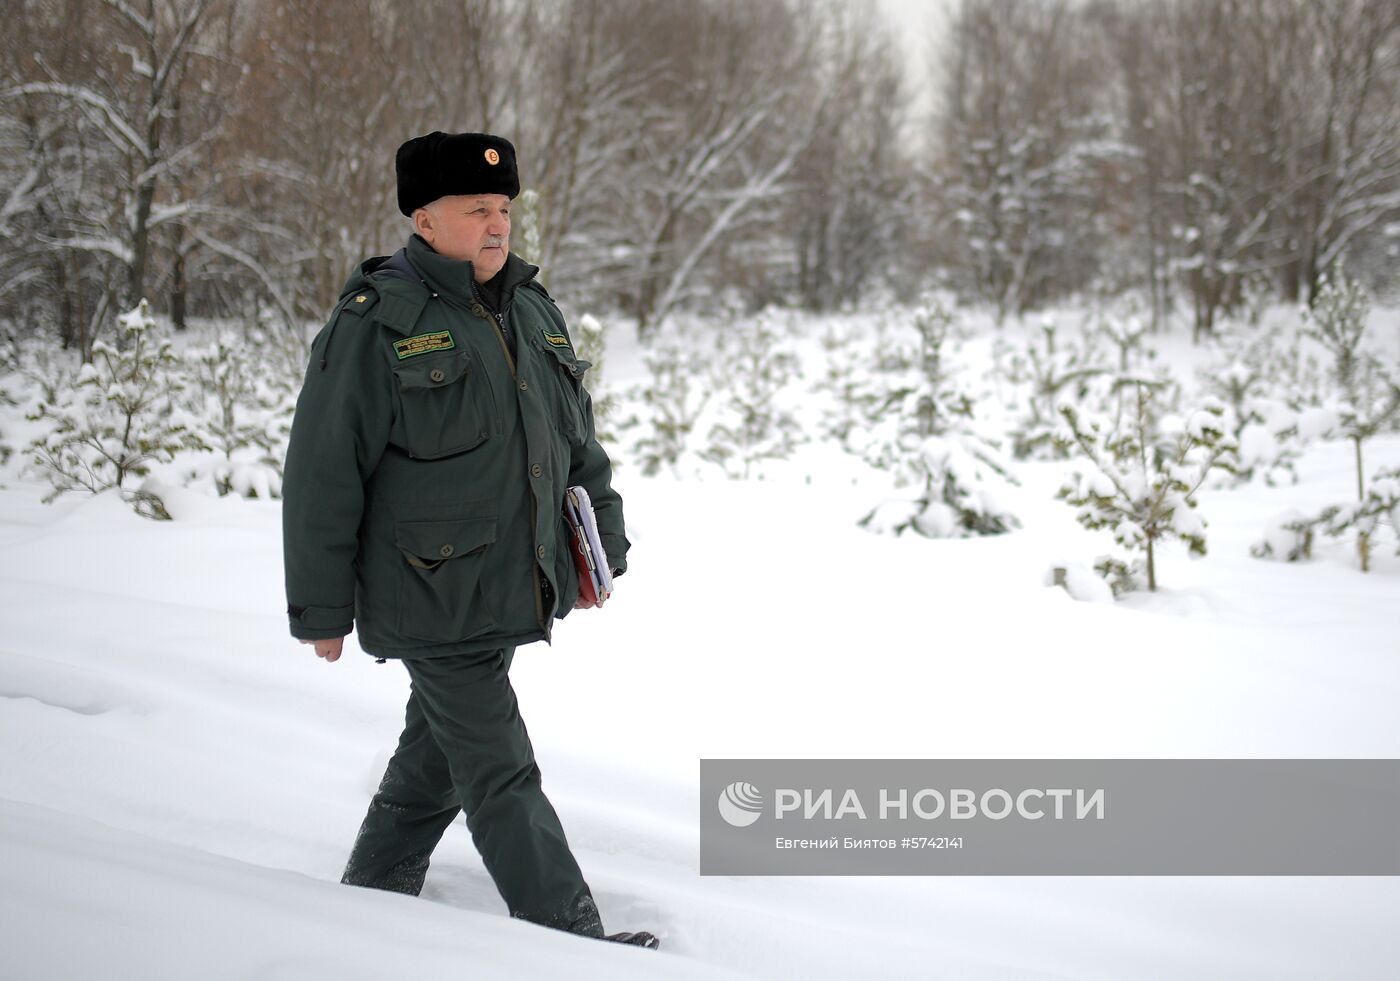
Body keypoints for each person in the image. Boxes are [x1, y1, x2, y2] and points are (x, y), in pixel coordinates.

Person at [281, 131, 656, 949]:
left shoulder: (529, 305)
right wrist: (320, 607)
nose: (497, 225)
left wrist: (603, 538)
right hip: (427, 588)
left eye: (504, 208)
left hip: (508, 580)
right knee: (499, 768)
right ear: (423, 218)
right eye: (475, 209)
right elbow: (321, 468)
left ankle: (369, 897)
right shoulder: (378, 320)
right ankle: (573, 937)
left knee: (436, 758)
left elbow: (573, 442)